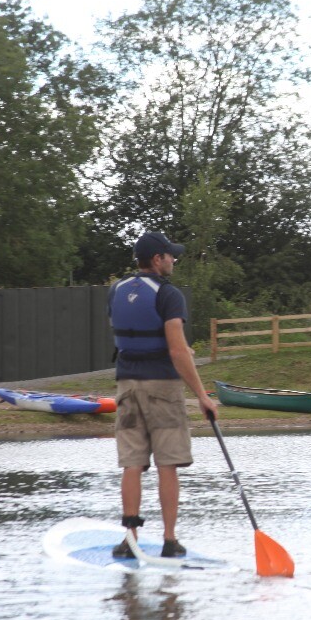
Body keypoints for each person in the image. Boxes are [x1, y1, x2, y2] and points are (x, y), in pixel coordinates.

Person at [107, 231, 217, 558]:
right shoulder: (169, 294)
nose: (173, 260)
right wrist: (202, 395)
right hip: (163, 389)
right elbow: (175, 350)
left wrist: (181, 348)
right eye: (170, 255)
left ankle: (130, 539)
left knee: (132, 463)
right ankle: (169, 541)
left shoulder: (116, 290)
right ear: (157, 260)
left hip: (126, 386)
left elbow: (132, 334)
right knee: (167, 464)